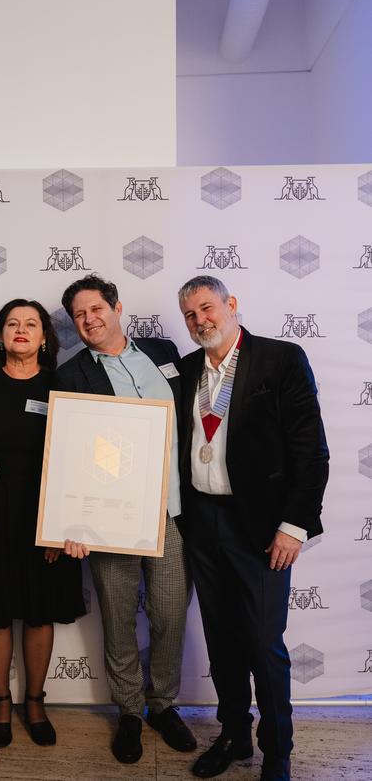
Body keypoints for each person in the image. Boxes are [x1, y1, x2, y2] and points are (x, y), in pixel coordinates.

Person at [177, 276, 329, 781]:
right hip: (203, 523)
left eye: (207, 308)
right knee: (221, 641)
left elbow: (311, 452)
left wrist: (293, 526)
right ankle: (234, 735)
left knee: (264, 644)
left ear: (231, 305)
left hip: (263, 530)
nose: (201, 321)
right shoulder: (184, 370)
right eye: (191, 315)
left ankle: (278, 754)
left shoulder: (281, 359)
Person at [56, 274, 196, 765]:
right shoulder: (71, 374)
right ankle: (131, 712)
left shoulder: (165, 352)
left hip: (173, 512)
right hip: (111, 520)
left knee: (171, 615)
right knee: (117, 620)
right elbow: (66, 455)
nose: (90, 320)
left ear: (117, 307)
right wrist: (69, 522)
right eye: (79, 315)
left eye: (97, 309)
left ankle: (163, 704)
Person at [0, 299, 85, 749]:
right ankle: (1, 701)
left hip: (45, 515)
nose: (21, 330)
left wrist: (60, 525)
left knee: (39, 613)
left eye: (31, 324)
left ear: (44, 337)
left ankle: (35, 701)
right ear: (0, 335)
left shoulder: (63, 385)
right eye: (12, 324)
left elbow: (75, 459)